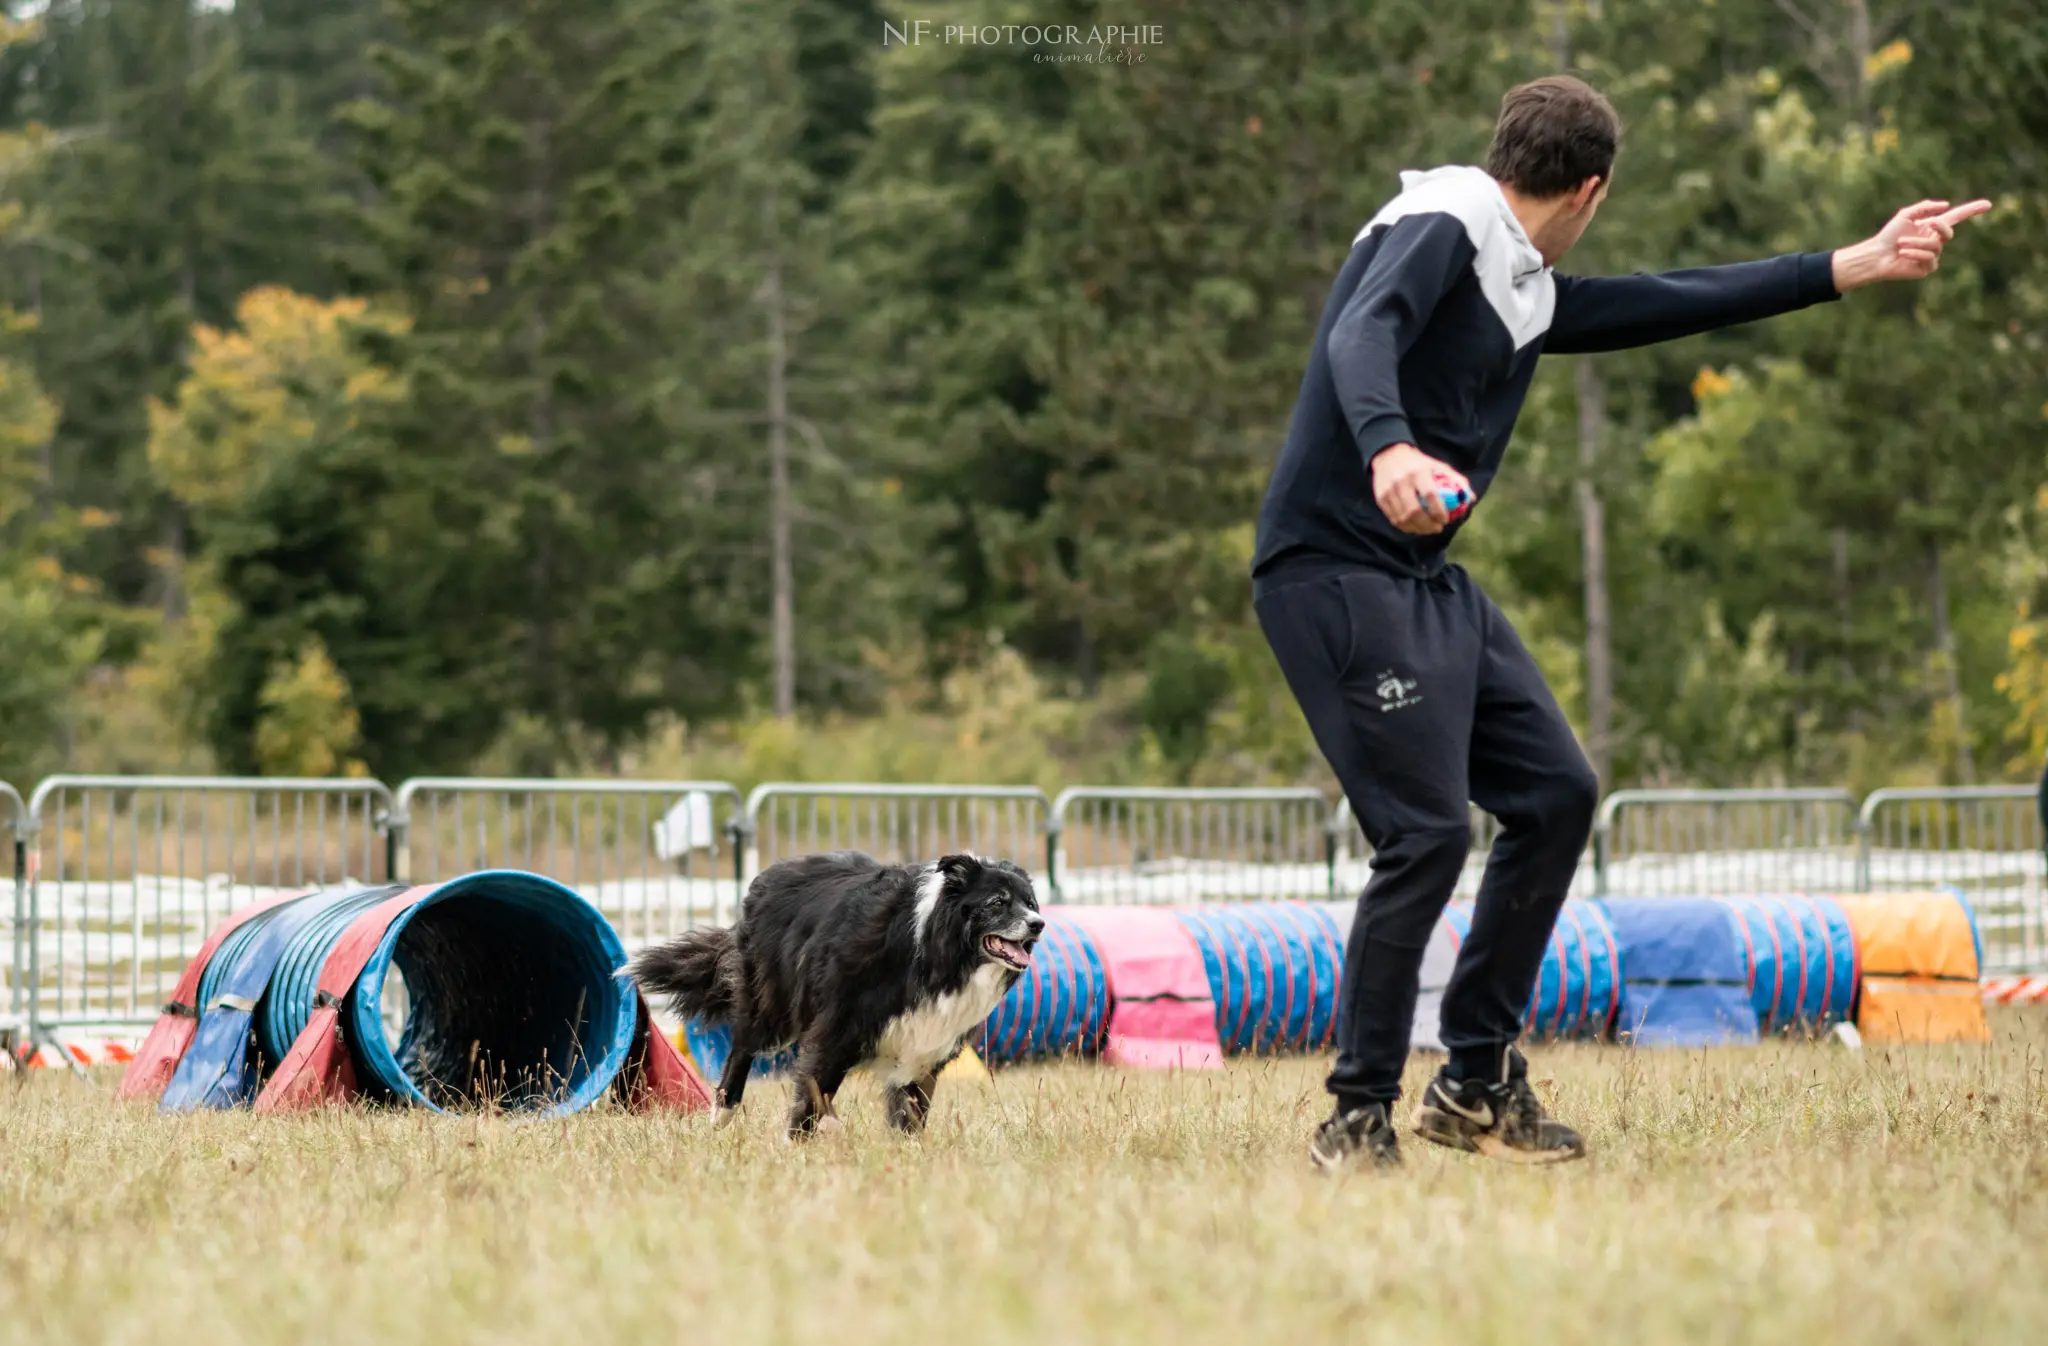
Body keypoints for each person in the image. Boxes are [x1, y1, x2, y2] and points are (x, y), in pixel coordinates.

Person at [1252, 75, 1989, 1170]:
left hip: (1417, 578)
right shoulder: (1447, 213)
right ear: (1590, 188)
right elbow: (1364, 331)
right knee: (1426, 833)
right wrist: (1387, 446)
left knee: (1553, 792)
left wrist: (1853, 263)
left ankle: (1473, 1079)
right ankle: (1354, 1113)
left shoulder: (1522, 284)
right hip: (1327, 570)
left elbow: (1670, 298)